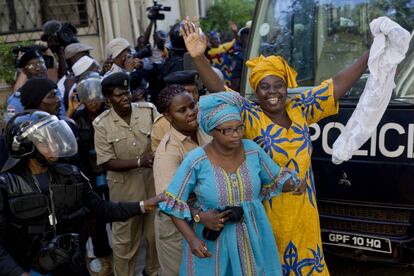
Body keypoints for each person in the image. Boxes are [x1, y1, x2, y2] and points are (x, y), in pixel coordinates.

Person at [180, 17, 370, 275]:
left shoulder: (301, 107)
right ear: (255, 91)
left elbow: (334, 87)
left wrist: (371, 54)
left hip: (304, 211)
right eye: (264, 87)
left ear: (286, 86)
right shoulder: (249, 116)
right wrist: (200, 58)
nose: (272, 92)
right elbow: (219, 90)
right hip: (266, 217)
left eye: (278, 85)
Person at [0, 110, 162, 276]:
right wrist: (19, 273)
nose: (55, 146)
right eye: (45, 143)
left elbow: (102, 209)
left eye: (54, 139)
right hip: (30, 269)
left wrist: (143, 205)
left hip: (73, 267)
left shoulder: (71, 175)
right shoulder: (7, 186)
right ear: (26, 147)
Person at [159, 92, 305, 275]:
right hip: (213, 242)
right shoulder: (196, 160)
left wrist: (293, 184)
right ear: (212, 131)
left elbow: (276, 180)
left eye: (239, 128)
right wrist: (192, 239)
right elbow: (172, 204)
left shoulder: (253, 151)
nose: (236, 135)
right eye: (227, 130)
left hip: (252, 237)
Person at [93, 72, 159, 276]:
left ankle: (153, 273)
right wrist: (140, 161)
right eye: (119, 94)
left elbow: (162, 138)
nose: (125, 97)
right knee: (125, 246)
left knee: (156, 238)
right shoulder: (101, 124)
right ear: (107, 100)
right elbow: (106, 162)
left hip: (153, 187)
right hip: (124, 195)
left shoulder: (148, 111)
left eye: (127, 92)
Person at [153, 84, 215, 275]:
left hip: (203, 220)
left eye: (192, 106)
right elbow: (168, 201)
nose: (191, 112)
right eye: (182, 110)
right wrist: (199, 216)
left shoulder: (204, 131)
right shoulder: (168, 152)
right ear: (168, 117)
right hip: (176, 228)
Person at [72, 77, 112, 275]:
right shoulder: (77, 118)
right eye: (89, 100)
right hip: (88, 172)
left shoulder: (109, 114)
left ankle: (120, 251)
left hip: (111, 167)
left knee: (115, 208)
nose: (93, 103)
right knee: (96, 214)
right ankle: (103, 254)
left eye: (96, 98)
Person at [5, 50, 65, 122]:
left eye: (41, 63)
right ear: (24, 71)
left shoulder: (53, 90)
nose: (38, 68)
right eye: (31, 65)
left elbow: (62, 117)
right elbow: (13, 126)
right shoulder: (17, 100)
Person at [151, 70, 200, 152]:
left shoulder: (204, 112)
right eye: (187, 92)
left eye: (195, 92)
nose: (193, 97)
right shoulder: (161, 125)